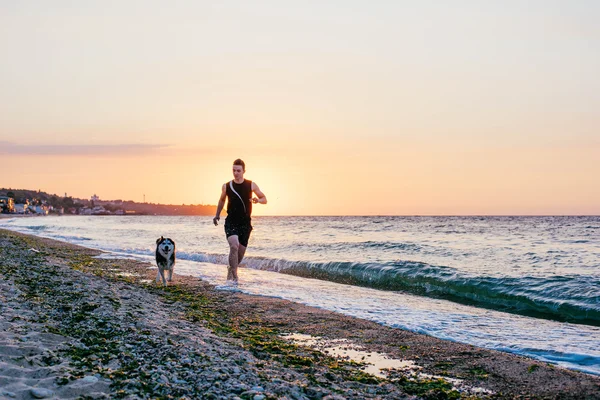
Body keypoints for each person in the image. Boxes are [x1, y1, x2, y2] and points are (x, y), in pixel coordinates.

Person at [213, 159, 267, 283]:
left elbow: (264, 199)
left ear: (243, 171)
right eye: (234, 170)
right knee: (234, 246)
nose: (235, 173)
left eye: (238, 171)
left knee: (240, 254)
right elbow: (221, 201)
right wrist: (217, 215)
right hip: (231, 221)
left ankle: (230, 270)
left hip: (245, 224)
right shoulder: (227, 186)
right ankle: (235, 276)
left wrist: (257, 200)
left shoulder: (251, 185)